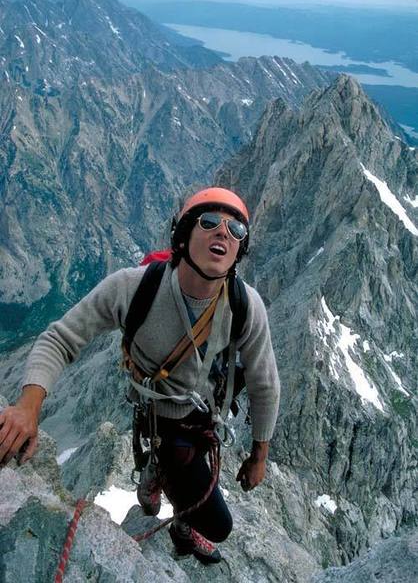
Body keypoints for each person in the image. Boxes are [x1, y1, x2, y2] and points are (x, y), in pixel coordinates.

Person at [0, 187, 280, 564]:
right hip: (164, 419)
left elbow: (265, 384)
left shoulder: (247, 307)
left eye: (236, 230)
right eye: (210, 222)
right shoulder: (133, 288)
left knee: (194, 480)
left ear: (240, 249)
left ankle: (169, 490)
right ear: (182, 236)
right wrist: (28, 406)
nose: (224, 233)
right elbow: (60, 338)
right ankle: (163, 480)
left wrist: (259, 455)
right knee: (218, 525)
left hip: (208, 411)